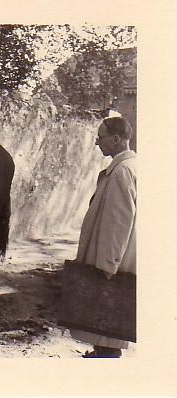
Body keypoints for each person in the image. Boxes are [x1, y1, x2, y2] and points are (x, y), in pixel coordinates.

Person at [70, 115, 136, 358]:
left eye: (101, 138)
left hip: (110, 264)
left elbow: (119, 223)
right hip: (113, 261)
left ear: (117, 139)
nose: (97, 143)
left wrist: (107, 266)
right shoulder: (129, 167)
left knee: (107, 329)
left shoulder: (122, 172)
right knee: (107, 331)